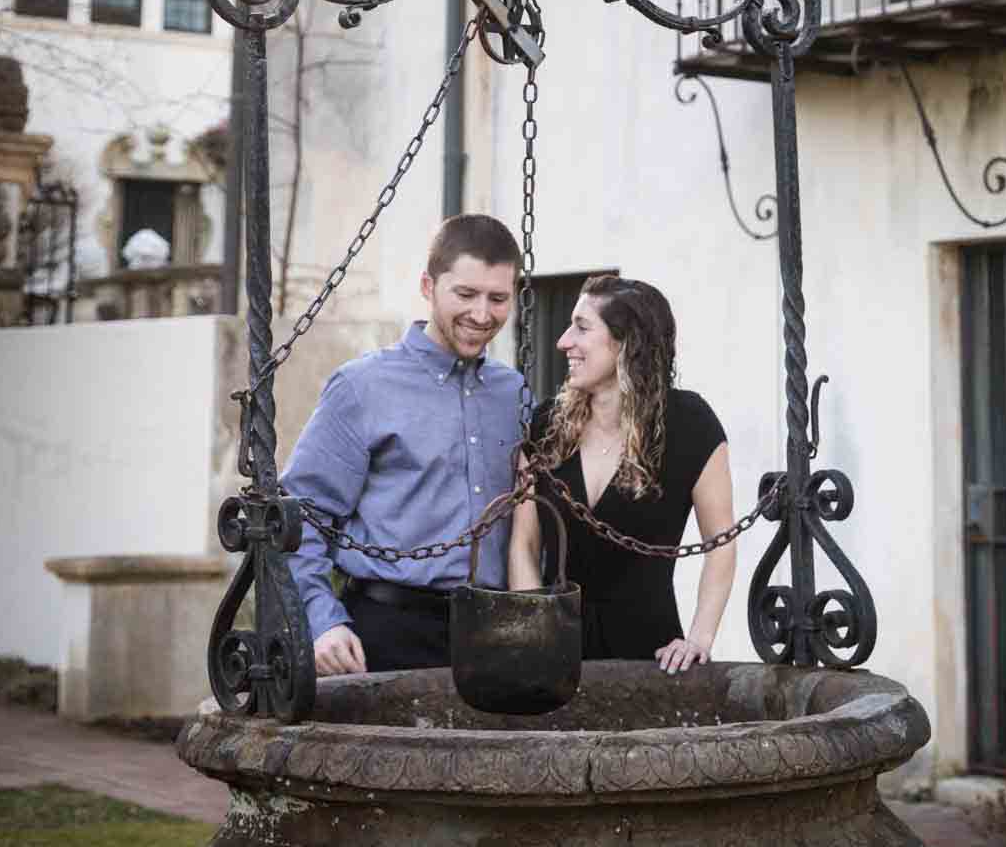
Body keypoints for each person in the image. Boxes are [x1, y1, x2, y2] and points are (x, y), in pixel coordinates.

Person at [282, 213, 525, 677]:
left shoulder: (513, 393)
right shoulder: (362, 387)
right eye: (466, 294)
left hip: (495, 637)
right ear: (428, 286)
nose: (482, 314)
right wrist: (322, 622)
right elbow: (300, 517)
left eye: (498, 298)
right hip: (385, 633)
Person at [508, 273, 735, 673]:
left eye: (581, 328)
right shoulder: (545, 426)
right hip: (553, 655)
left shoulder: (691, 424)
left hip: (653, 658)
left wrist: (700, 637)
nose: (563, 342)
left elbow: (721, 543)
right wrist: (532, 632)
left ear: (626, 342)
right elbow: (524, 543)